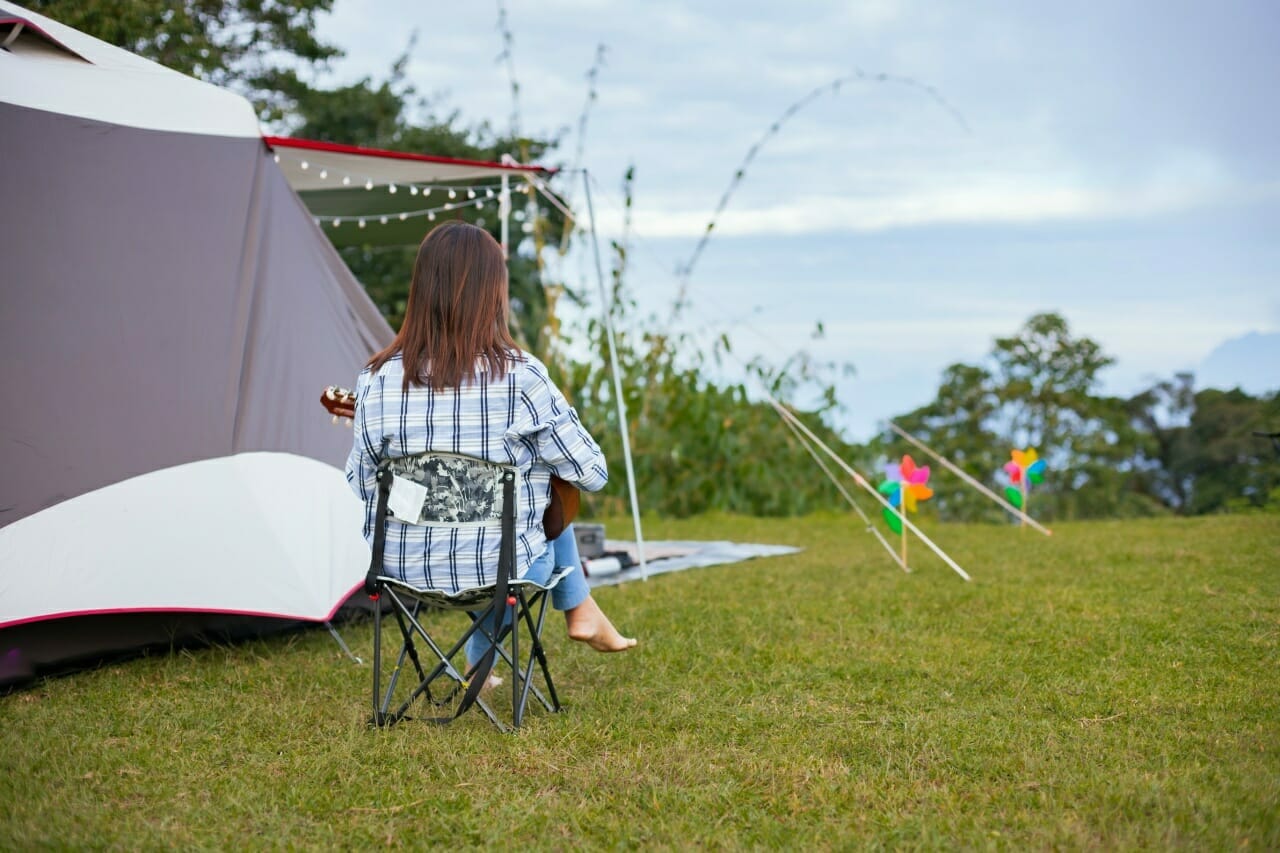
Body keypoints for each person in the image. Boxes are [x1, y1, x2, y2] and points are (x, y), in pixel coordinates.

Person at [344, 221, 636, 665]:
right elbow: (592, 474)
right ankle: (578, 609)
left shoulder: (374, 380)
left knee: (518, 493)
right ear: (493, 292)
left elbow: (362, 485)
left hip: (403, 570)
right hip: (505, 571)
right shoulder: (523, 377)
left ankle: (551, 626)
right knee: (543, 490)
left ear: (421, 289)